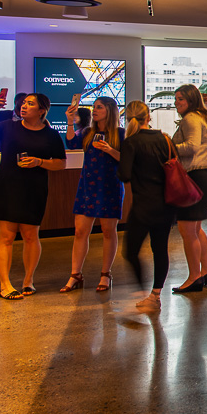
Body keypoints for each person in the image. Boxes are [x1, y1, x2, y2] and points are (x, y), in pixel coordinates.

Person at [0, 92, 67, 300]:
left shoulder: (51, 135)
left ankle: (28, 281)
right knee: (5, 238)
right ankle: (5, 285)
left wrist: (39, 162)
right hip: (6, 186)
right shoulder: (8, 126)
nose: (24, 106)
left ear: (41, 110)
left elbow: (61, 163)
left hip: (34, 189)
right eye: (24, 103)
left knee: (31, 236)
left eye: (30, 104)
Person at [117, 100, 176, 313]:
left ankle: (140, 292)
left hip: (143, 205)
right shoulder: (164, 139)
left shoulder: (130, 142)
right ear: (148, 117)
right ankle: (155, 295)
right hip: (166, 204)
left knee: (131, 251)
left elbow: (124, 175)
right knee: (160, 249)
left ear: (128, 118)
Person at [60, 97, 123, 293]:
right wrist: (69, 122)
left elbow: (128, 159)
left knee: (108, 231)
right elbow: (71, 143)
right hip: (87, 187)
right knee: (80, 231)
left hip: (110, 186)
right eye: (94, 107)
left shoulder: (120, 134)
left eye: (99, 107)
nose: (94, 110)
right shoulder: (88, 132)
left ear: (110, 110)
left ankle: (106, 274)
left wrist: (110, 150)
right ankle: (75, 274)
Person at [171, 84, 207, 293]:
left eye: (180, 99)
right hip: (204, 176)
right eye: (176, 99)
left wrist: (168, 147)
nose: (176, 103)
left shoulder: (190, 118)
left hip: (195, 176)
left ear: (191, 100)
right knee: (196, 229)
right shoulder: (200, 118)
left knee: (187, 229)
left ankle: (194, 277)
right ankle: (206, 271)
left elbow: (191, 147)